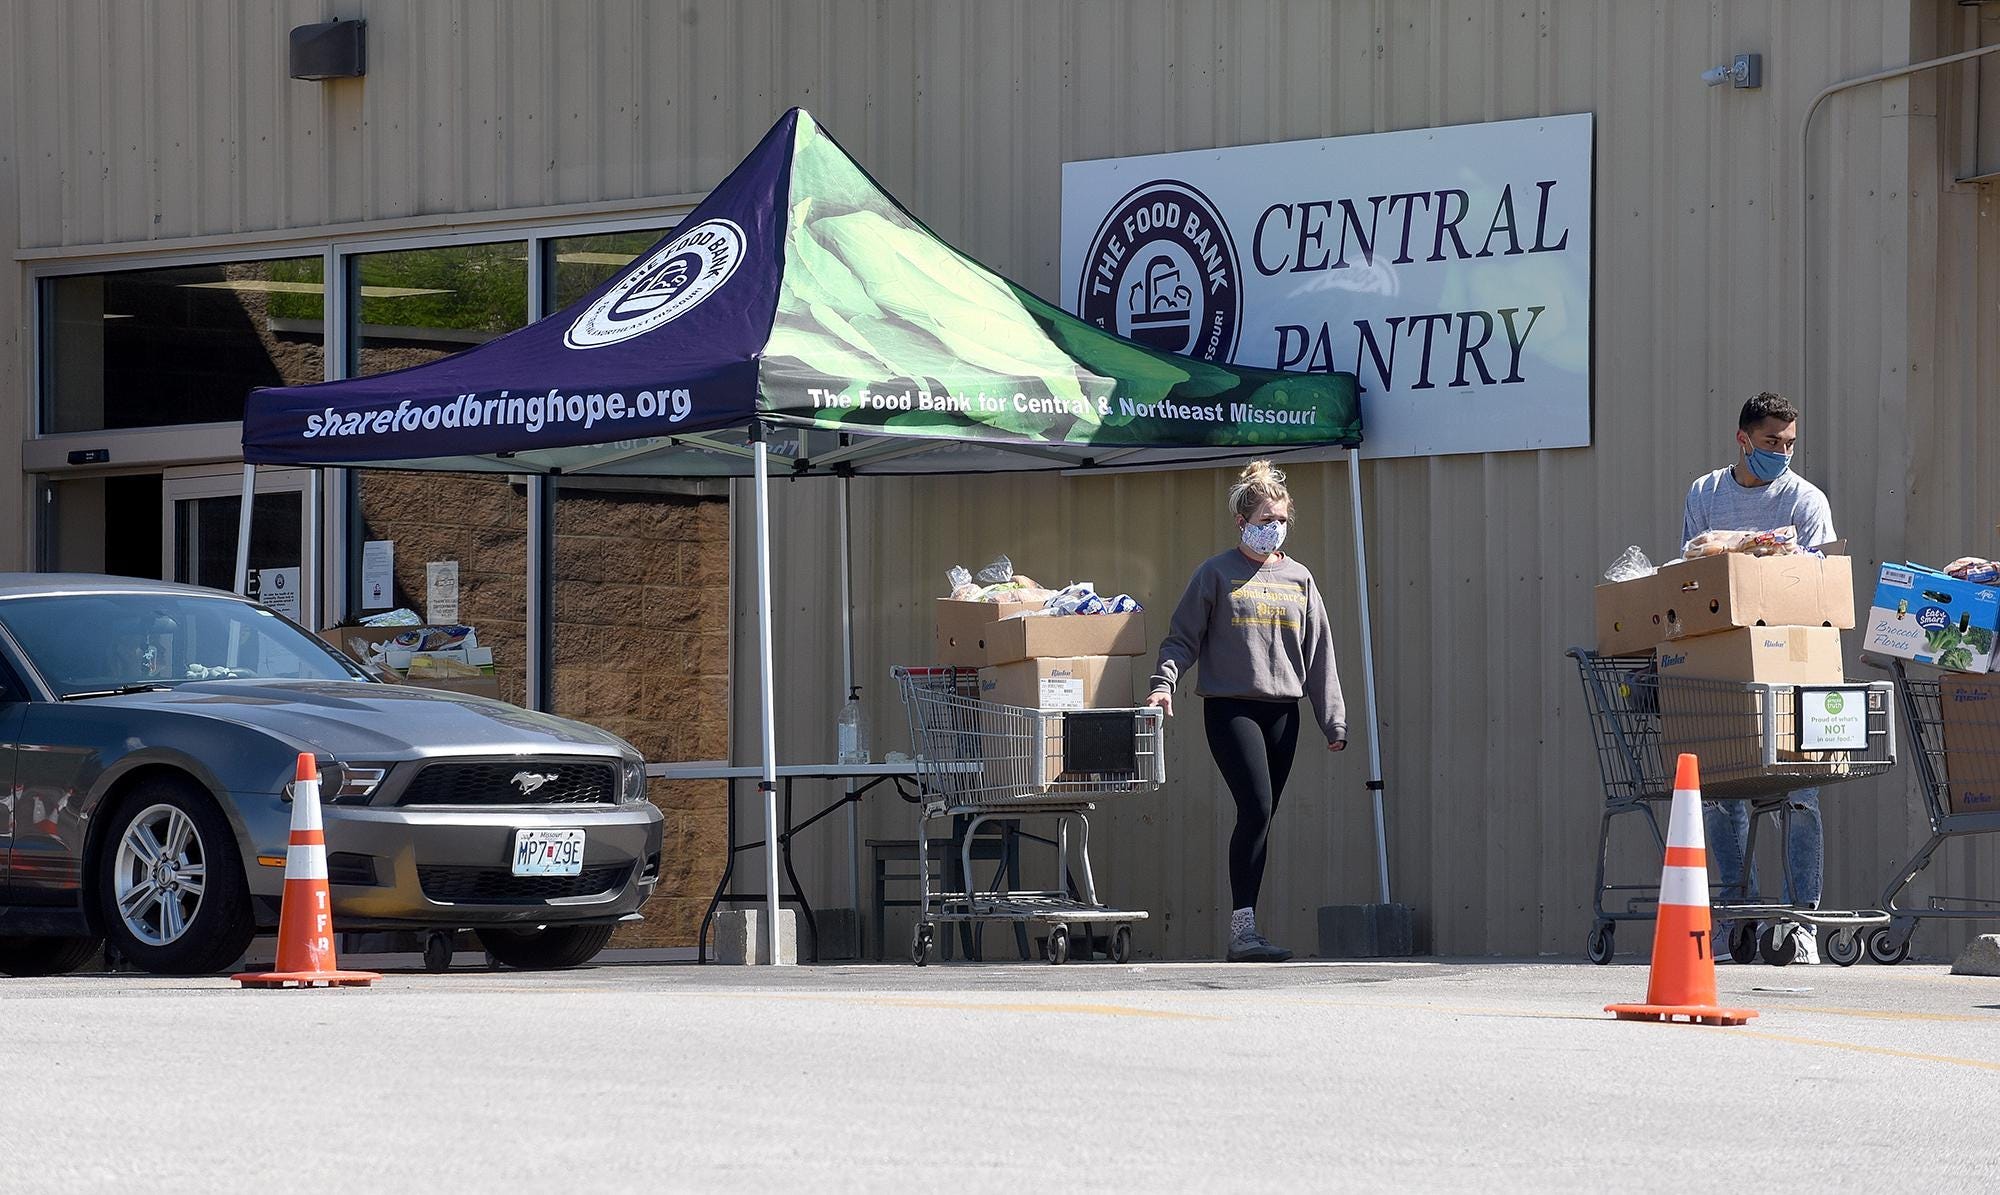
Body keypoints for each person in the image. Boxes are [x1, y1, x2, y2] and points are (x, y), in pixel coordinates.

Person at [1145, 461, 1347, 963]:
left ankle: (1248, 928)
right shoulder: (1215, 573)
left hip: (1284, 712)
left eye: (1280, 518)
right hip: (1231, 707)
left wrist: (1333, 719)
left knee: (1262, 818)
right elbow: (1182, 638)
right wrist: (1164, 684)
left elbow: (1320, 653)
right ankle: (1243, 929)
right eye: (1264, 517)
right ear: (1242, 521)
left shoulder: (1299, 578)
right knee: (1255, 806)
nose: (1273, 526)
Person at [1682, 391, 1835, 964]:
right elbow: (1691, 572)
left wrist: (1767, 563)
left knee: (1802, 794)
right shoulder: (1706, 493)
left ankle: (1802, 922)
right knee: (1723, 796)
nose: (1782, 453)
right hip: (1724, 662)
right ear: (1743, 439)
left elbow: (1820, 580)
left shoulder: (1804, 499)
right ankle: (1735, 915)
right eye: (1772, 442)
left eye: (1790, 443)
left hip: (1791, 658)